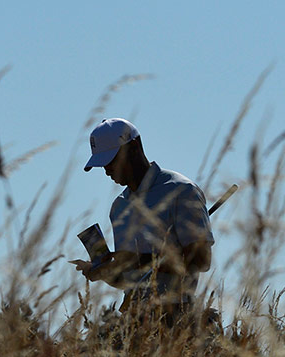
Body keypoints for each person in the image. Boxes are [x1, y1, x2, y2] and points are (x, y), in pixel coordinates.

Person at [71, 118, 214, 325]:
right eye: (103, 164)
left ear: (134, 147)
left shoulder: (181, 191)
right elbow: (130, 279)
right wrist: (105, 272)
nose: (107, 169)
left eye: (111, 160)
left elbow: (201, 259)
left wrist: (136, 260)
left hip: (177, 320)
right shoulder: (119, 206)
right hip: (134, 322)